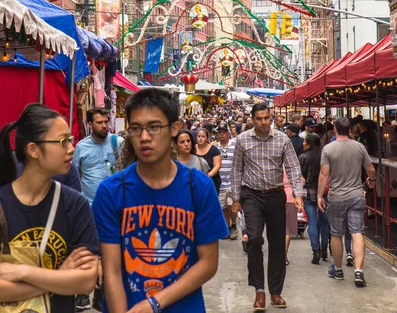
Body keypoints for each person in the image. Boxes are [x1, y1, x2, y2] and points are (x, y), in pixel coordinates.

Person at [92, 88, 228, 312]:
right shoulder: (111, 191)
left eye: (154, 127)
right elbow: (112, 270)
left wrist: (155, 303)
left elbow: (208, 263)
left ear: (174, 128)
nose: (144, 137)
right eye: (136, 129)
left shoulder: (198, 186)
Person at [0, 103, 100, 313]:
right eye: (63, 141)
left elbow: (85, 282)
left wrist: (23, 273)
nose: (71, 148)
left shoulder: (75, 204)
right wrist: (60, 275)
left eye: (70, 140)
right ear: (33, 150)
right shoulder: (3, 203)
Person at [232, 103, 305, 310]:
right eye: (259, 119)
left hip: (275, 196)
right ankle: (259, 291)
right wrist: (236, 199)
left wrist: (298, 194)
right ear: (253, 119)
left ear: (270, 117)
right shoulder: (242, 140)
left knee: (277, 245)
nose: (263, 122)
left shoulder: (282, 139)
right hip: (251, 196)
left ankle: (275, 291)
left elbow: (292, 166)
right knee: (254, 239)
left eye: (266, 118)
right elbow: (237, 170)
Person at [72, 107, 123, 311]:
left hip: (114, 209)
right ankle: (83, 292)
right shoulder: (81, 148)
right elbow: (75, 178)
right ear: (90, 125)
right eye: (99, 122)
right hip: (90, 207)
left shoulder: (117, 143)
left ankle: (103, 295)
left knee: (111, 251)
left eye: (105, 121)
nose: (104, 125)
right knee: (87, 250)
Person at [317, 117, 376, 287]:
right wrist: (371, 181)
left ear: (335, 129)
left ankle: (338, 269)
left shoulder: (328, 149)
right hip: (356, 195)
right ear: (350, 129)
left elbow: (324, 174)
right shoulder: (359, 147)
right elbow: (370, 168)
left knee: (336, 234)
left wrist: (320, 195)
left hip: (336, 197)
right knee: (357, 232)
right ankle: (358, 271)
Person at [299, 133, 330, 264]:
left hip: (309, 193)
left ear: (310, 143)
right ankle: (324, 248)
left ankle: (315, 251)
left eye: (305, 142)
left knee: (312, 222)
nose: (303, 143)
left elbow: (302, 180)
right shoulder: (325, 157)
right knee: (324, 222)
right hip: (324, 193)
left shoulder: (303, 158)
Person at [215, 121, 238, 240]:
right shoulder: (215, 147)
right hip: (220, 182)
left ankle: (234, 226)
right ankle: (227, 228)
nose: (222, 134)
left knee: (231, 205)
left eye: (224, 132)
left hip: (232, 181)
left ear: (229, 133)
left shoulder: (235, 145)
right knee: (223, 206)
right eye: (220, 132)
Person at [195, 128, 222, 193]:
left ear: (207, 138)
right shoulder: (192, 149)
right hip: (195, 182)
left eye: (203, 136)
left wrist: (208, 176)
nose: (200, 138)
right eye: (199, 136)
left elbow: (217, 165)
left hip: (211, 182)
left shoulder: (214, 150)